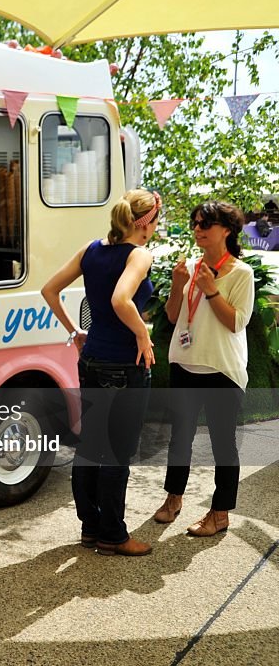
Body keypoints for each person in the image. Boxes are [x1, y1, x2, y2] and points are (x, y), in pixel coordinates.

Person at [41, 189, 161, 556]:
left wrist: (75, 332)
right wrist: (142, 333)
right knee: (117, 453)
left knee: (91, 447)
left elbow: (49, 290)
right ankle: (113, 535)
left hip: (91, 360)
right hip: (124, 365)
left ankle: (91, 529)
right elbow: (120, 300)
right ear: (147, 223)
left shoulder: (91, 250)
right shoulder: (139, 254)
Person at [153, 200, 254, 537]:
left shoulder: (241, 273)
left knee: (222, 444)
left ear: (227, 230)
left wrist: (212, 291)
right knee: (179, 438)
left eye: (205, 224)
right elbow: (172, 316)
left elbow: (236, 323)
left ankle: (220, 512)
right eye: (195, 223)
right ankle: (174, 498)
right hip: (185, 364)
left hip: (222, 370)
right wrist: (175, 285)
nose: (197, 229)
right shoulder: (192, 267)